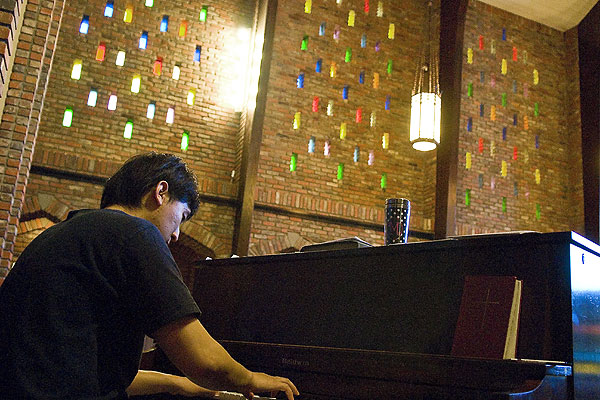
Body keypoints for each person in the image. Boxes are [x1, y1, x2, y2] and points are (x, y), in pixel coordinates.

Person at [0, 152, 299, 400]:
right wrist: (251, 379)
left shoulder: (63, 234)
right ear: (160, 192)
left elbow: (92, 373)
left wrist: (175, 383)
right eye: (181, 217)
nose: (178, 234)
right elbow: (204, 361)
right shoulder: (135, 232)